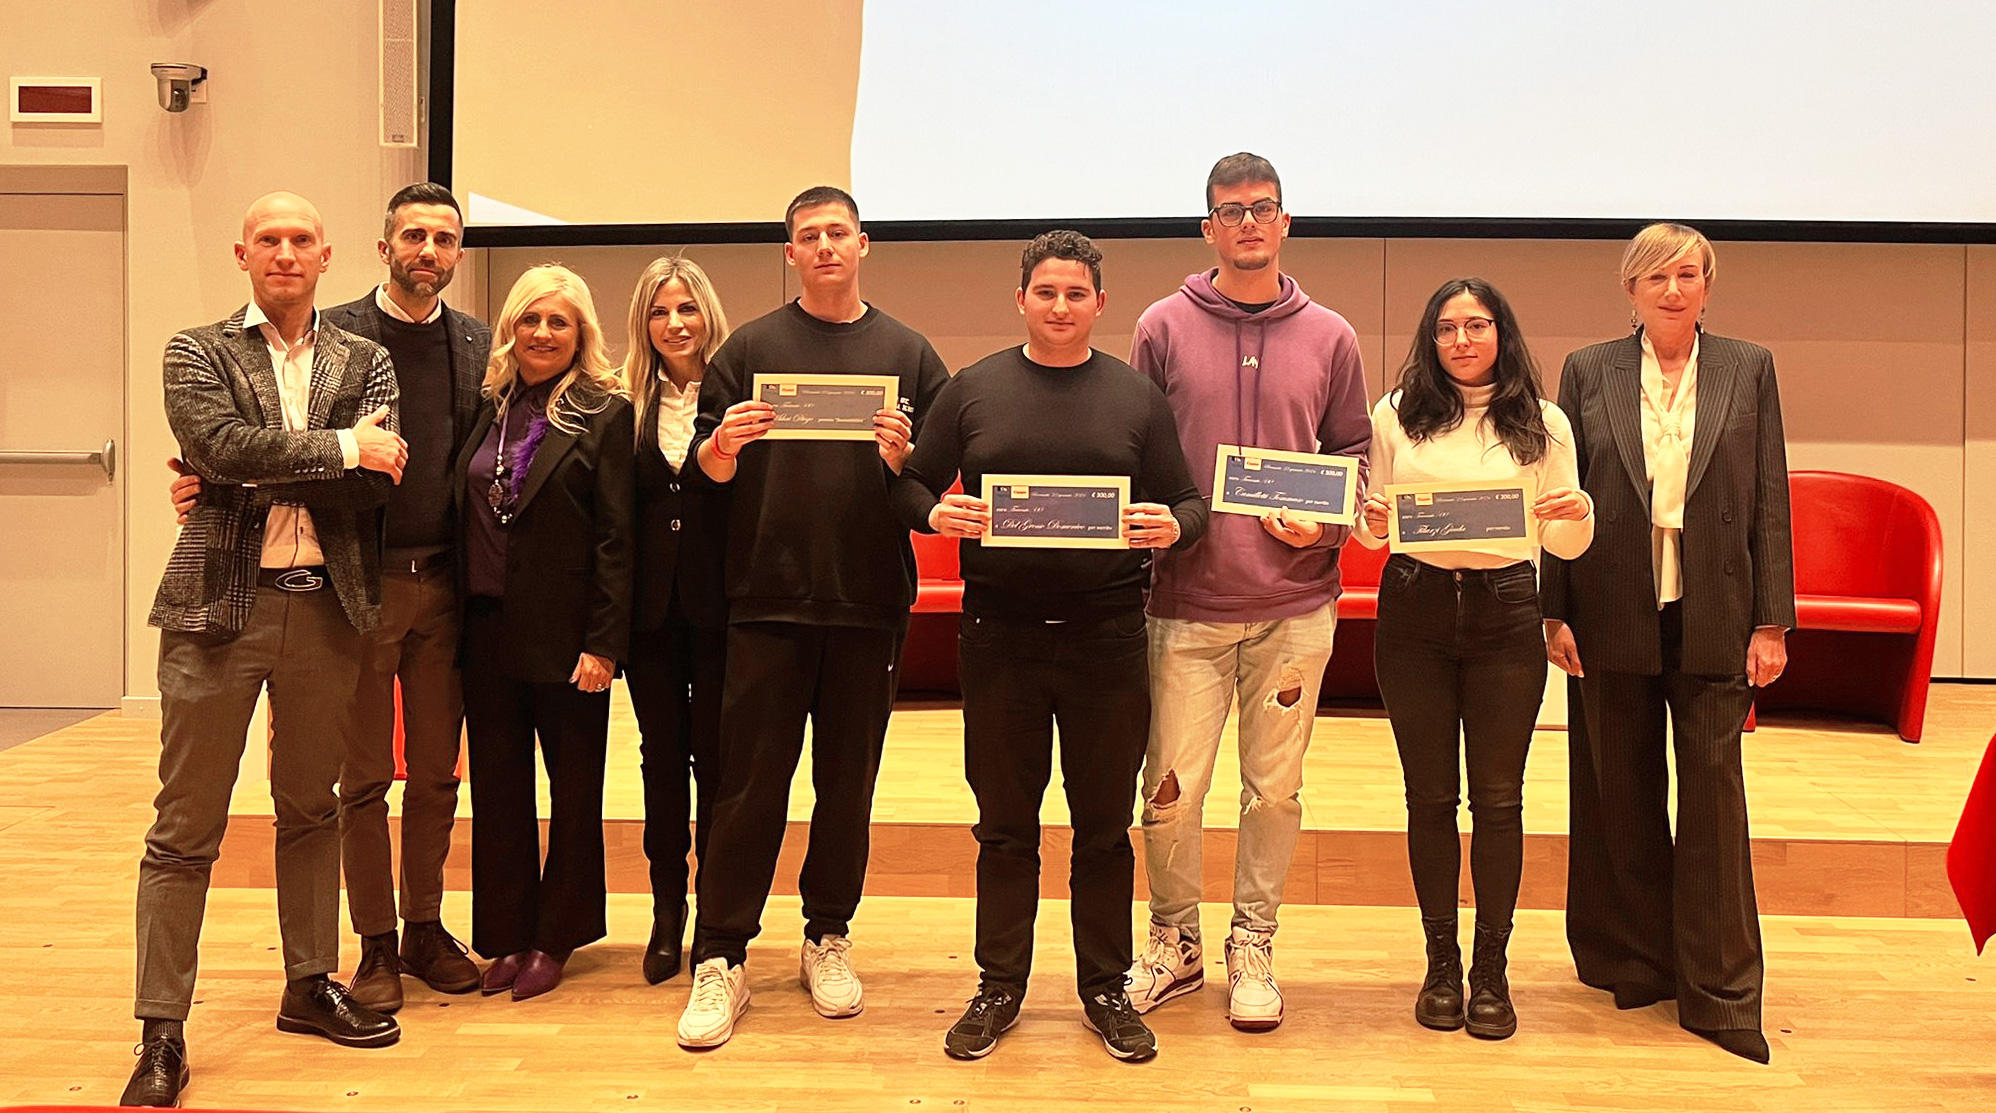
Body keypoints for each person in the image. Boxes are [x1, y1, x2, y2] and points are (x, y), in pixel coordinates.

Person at [167, 183, 492, 1014]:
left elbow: (387, 479)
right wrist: (272, 464)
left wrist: (243, 473)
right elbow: (258, 447)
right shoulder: (337, 337)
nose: (429, 250)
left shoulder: (468, 342)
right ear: (381, 247)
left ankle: (418, 927)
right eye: (413, 235)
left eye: (444, 238)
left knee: (429, 776)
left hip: (439, 583)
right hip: (357, 584)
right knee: (357, 778)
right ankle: (372, 941)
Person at [894, 231, 1209, 1063]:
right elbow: (910, 483)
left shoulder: (1136, 398)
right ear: (1022, 300)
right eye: (1046, 292)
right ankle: (999, 984)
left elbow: (1188, 499)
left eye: (1077, 293)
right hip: (999, 640)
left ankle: (1104, 987)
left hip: (1108, 641)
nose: (1061, 306)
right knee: (1004, 827)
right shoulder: (972, 390)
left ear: (1099, 304)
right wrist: (934, 513)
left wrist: (1174, 523)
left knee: (1104, 829)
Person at [124, 191, 408, 1107]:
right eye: (269, 239)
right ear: (243, 253)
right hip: (218, 610)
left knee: (310, 809)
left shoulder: (367, 356)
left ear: (327, 255)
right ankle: (162, 1031)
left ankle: (307, 985)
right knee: (185, 830)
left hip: (328, 608)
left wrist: (249, 469)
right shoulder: (196, 349)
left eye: (301, 239)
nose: (285, 252)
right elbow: (215, 440)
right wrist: (336, 448)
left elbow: (376, 489)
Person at [675, 186, 949, 1050]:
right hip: (764, 601)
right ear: (789, 252)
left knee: (847, 786)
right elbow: (702, 475)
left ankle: (828, 934)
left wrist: (909, 458)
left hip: (869, 605)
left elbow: (932, 486)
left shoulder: (908, 352)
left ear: (863, 243)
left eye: (838, 232)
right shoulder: (749, 347)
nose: (825, 245)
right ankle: (720, 954)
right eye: (808, 236)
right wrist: (721, 448)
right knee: (746, 785)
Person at [1125, 152, 1371, 1031]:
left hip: (1295, 609)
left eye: (1263, 208)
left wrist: (1325, 524)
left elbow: (1353, 455)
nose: (1248, 223)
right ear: (1208, 228)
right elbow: (1136, 451)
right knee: (1171, 790)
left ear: (1286, 221)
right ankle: (1174, 940)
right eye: (1230, 211)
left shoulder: (1333, 335)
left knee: (1274, 790)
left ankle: (1253, 942)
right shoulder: (1160, 325)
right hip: (1184, 605)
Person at [1540, 223, 1795, 1064]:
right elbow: (1562, 497)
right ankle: (1636, 957)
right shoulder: (1589, 370)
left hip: (1715, 606)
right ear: (1631, 289)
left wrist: (1771, 618)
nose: (1674, 289)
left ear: (1708, 286)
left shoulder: (1748, 366)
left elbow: (1768, 497)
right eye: (1657, 276)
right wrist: (1554, 610)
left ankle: (1721, 990)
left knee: (1716, 796)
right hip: (1613, 601)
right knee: (1621, 786)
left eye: (1688, 274)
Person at [1354, 277, 1593, 1040]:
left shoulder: (1544, 421)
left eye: (1477, 325)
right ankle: (1441, 963)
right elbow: (1370, 531)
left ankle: (1492, 967)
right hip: (1414, 612)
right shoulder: (1394, 415)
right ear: (1430, 339)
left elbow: (1563, 544)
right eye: (1447, 328)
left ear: (1502, 333)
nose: (1462, 339)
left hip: (1506, 614)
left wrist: (1580, 512)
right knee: (1428, 798)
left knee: (1499, 799)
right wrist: (1367, 518)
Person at [454, 264, 634, 1002]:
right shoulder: (487, 405)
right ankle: (505, 932)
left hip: (569, 643)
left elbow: (619, 540)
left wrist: (605, 643)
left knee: (573, 792)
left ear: (581, 333)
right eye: (530, 319)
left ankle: (556, 933)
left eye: (559, 322)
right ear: (511, 329)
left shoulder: (604, 413)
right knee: (498, 791)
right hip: (486, 630)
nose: (542, 333)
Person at [618, 256, 733, 983]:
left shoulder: (741, 397)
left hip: (724, 611)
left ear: (708, 315)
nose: (675, 324)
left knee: (721, 767)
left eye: (687, 308)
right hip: (647, 618)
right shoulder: (617, 403)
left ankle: (718, 917)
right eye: (660, 312)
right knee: (661, 764)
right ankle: (667, 913)